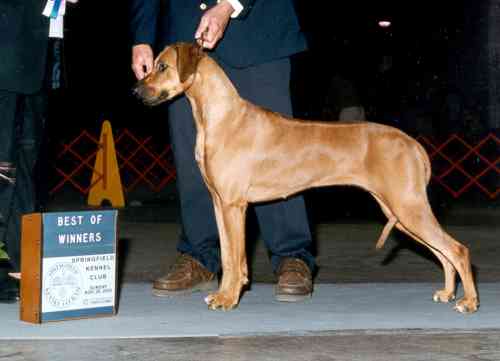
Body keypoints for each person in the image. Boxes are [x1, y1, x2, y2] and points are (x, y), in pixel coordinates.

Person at [129, 0, 316, 301]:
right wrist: (142, 36)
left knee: (277, 154)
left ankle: (290, 254)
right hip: (184, 41)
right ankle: (200, 256)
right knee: (196, 161)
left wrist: (229, 4)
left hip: (257, 34)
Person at [0, 0, 77, 302]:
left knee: (25, 165)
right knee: (3, 164)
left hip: (35, 55)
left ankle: (19, 265)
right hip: (6, 47)